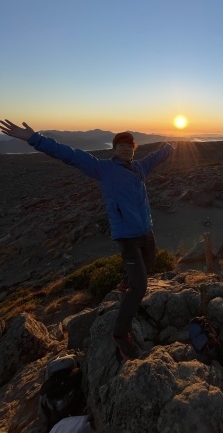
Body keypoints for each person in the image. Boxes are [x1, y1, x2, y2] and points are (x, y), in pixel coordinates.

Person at [0, 119, 174, 361]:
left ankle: (125, 284)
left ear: (134, 150)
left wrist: (172, 145)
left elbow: (157, 156)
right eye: (121, 145)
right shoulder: (102, 169)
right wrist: (33, 138)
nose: (126, 148)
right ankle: (121, 335)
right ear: (114, 150)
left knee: (150, 264)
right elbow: (69, 154)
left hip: (146, 232)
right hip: (127, 237)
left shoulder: (139, 168)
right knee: (140, 285)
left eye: (130, 146)